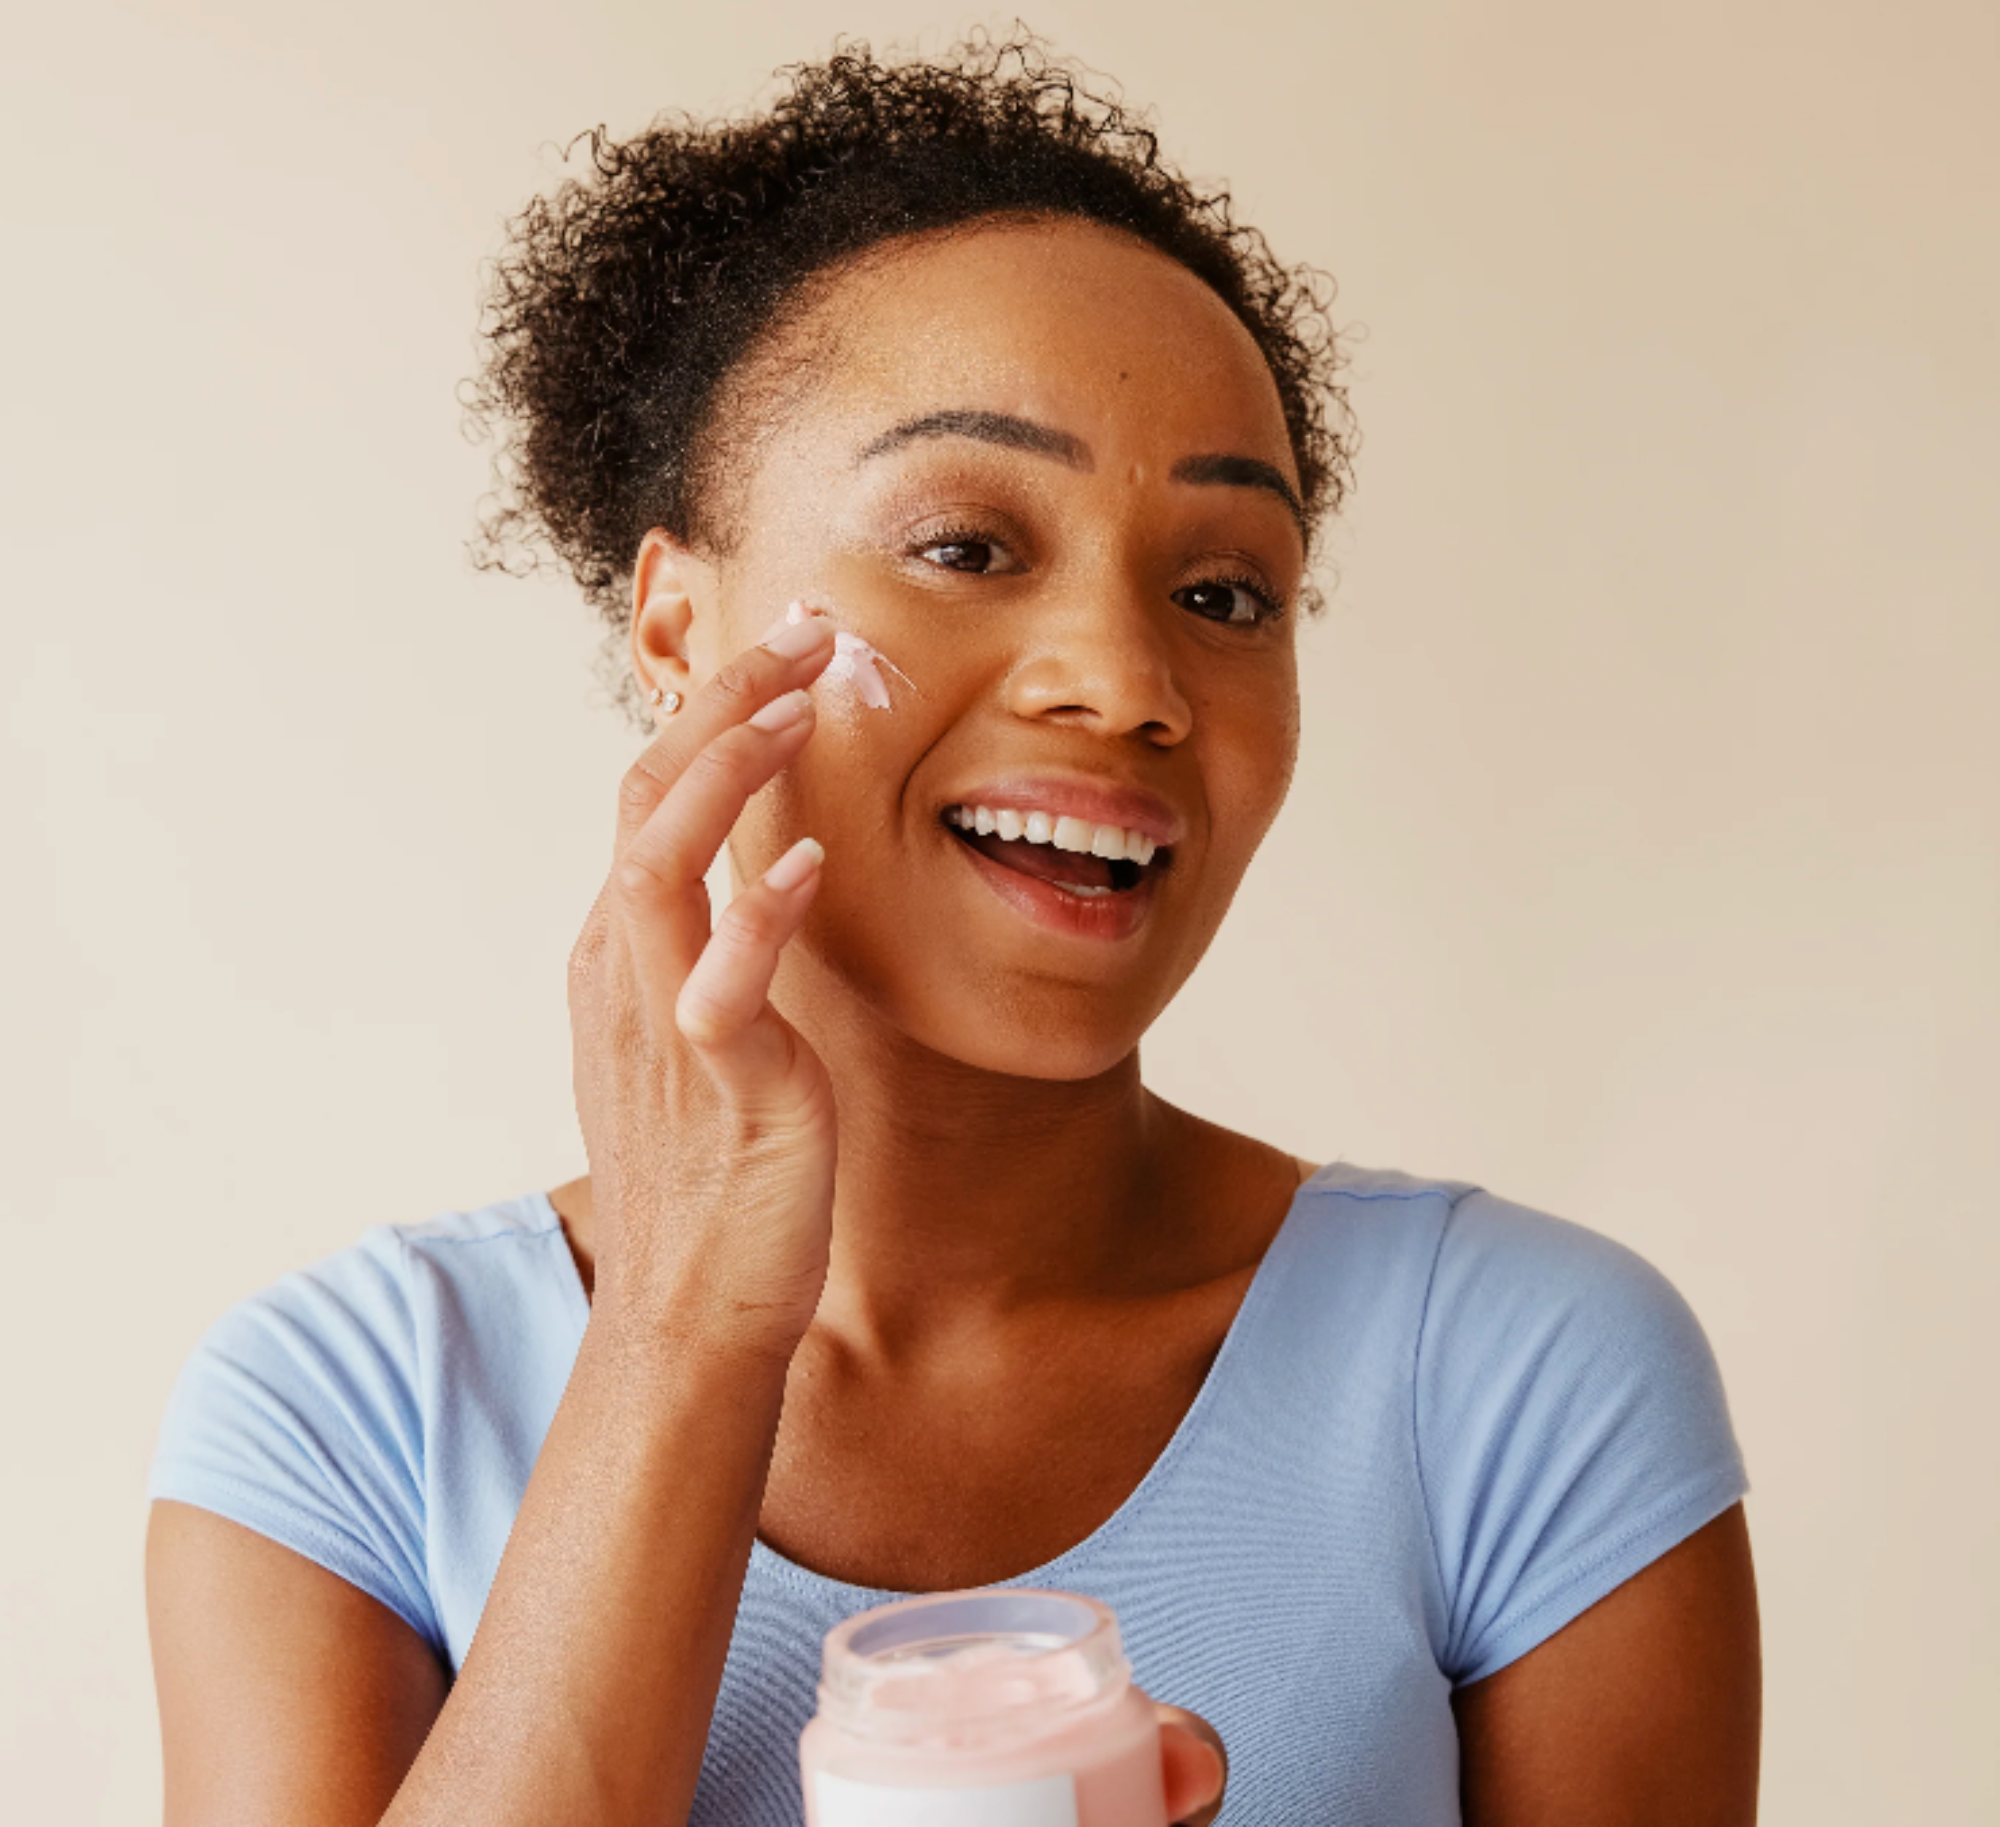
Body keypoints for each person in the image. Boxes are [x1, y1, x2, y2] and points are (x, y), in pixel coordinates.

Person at [144, 32, 1760, 1827]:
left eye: (1224, 590)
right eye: (969, 548)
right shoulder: (350, 1410)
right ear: (679, 630)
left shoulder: (1519, 1372)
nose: (1127, 680)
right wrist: (683, 1328)